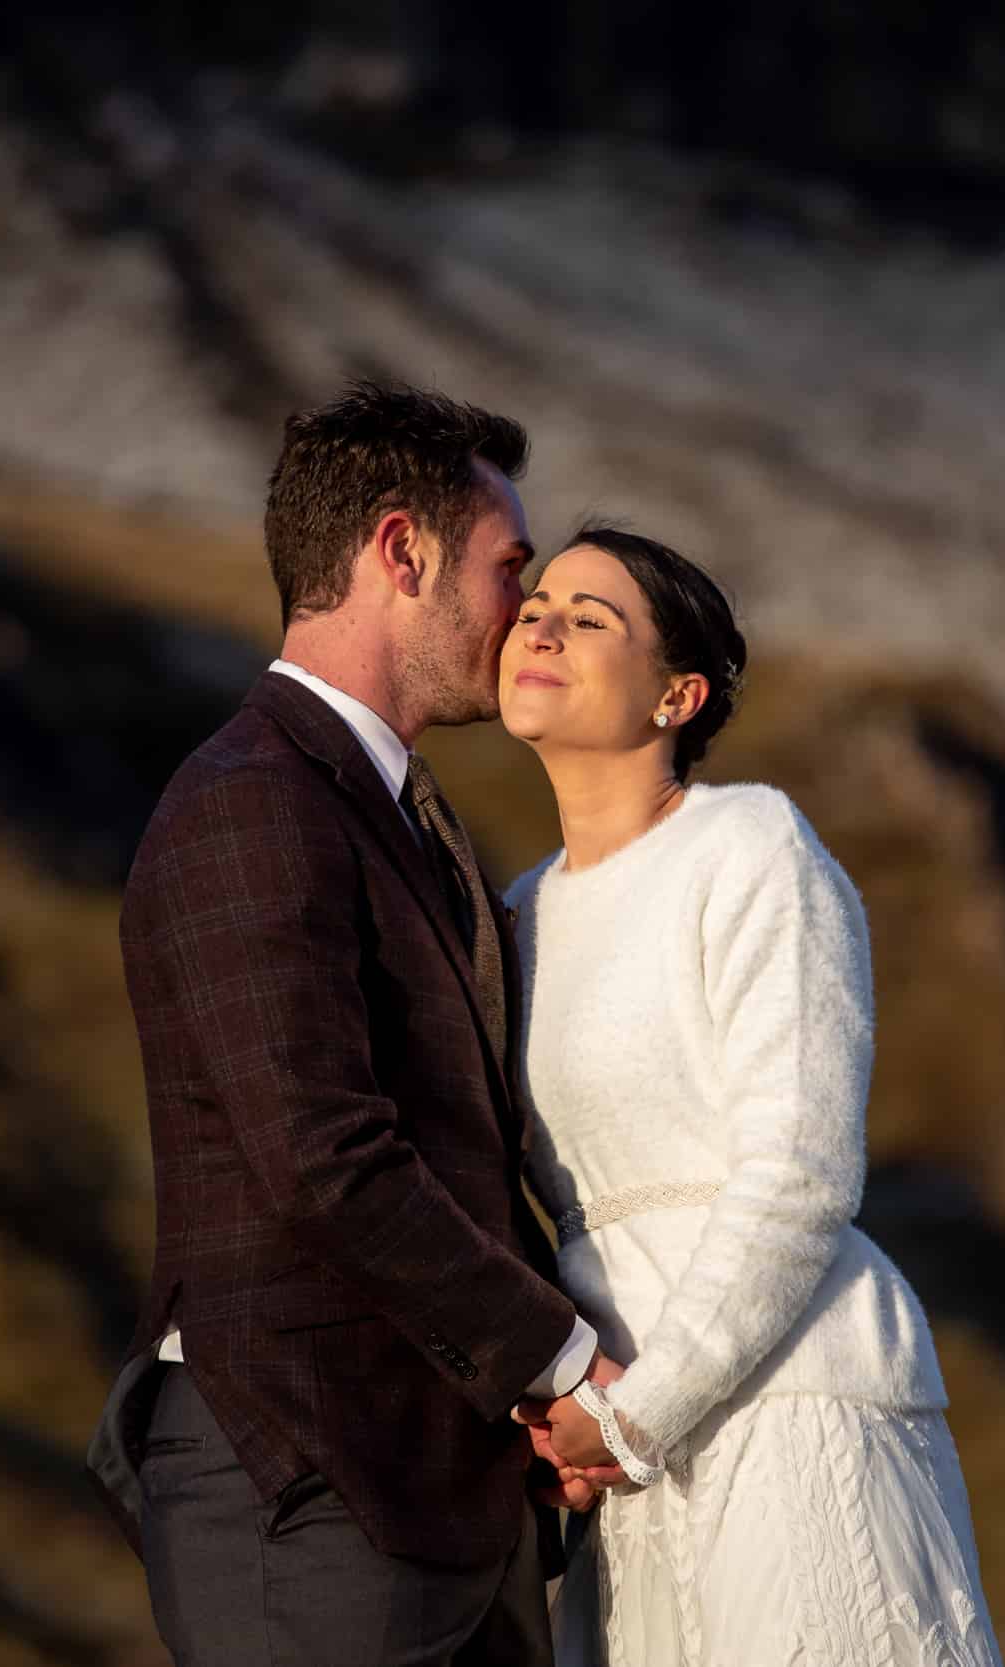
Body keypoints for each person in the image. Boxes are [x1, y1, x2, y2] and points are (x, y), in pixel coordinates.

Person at [88, 381, 615, 1667]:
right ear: (400, 553)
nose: (525, 615)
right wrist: (555, 1358)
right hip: (309, 1490)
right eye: (508, 571)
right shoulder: (249, 801)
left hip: (438, 1488)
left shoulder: (392, 813)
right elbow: (325, 1155)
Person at [501, 526, 1005, 1667]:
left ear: (676, 694)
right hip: (614, 1448)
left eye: (590, 616)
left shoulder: (750, 844)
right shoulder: (513, 914)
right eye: (536, 601)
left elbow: (800, 1170)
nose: (541, 622)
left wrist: (633, 1415)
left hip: (787, 1403)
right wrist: (576, 1409)